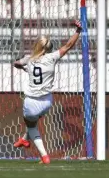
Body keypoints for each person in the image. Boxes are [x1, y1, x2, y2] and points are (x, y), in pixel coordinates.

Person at [13, 20, 83, 164]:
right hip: (47, 101)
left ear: (37, 47)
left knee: (31, 125)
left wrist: (24, 67)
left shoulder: (29, 59)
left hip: (32, 101)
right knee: (33, 122)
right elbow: (68, 46)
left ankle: (44, 156)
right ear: (49, 48)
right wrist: (78, 31)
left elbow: (16, 63)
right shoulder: (52, 57)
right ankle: (24, 140)